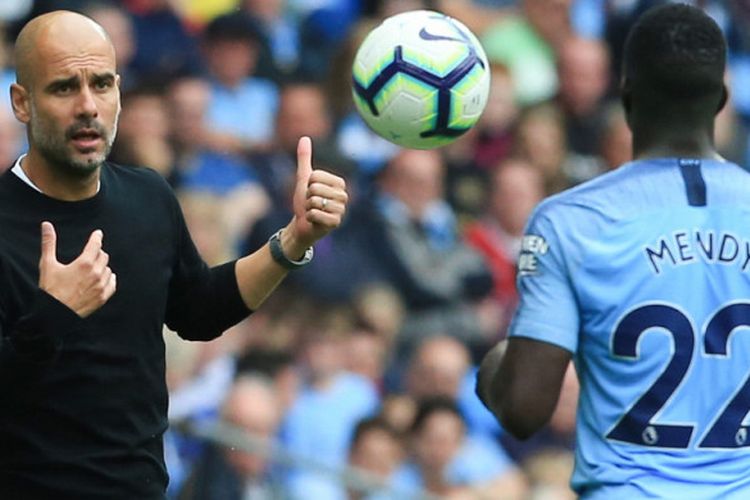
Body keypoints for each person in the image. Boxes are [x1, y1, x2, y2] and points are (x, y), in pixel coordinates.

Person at [0, 10, 348, 499]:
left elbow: (198, 310)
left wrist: (293, 241)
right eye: (63, 88)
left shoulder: (148, 197)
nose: (88, 106)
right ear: (22, 102)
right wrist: (51, 316)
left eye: (102, 85)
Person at [477, 4, 750, 498]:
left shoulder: (572, 222)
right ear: (721, 99)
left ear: (625, 96)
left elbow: (523, 408)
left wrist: (496, 366)